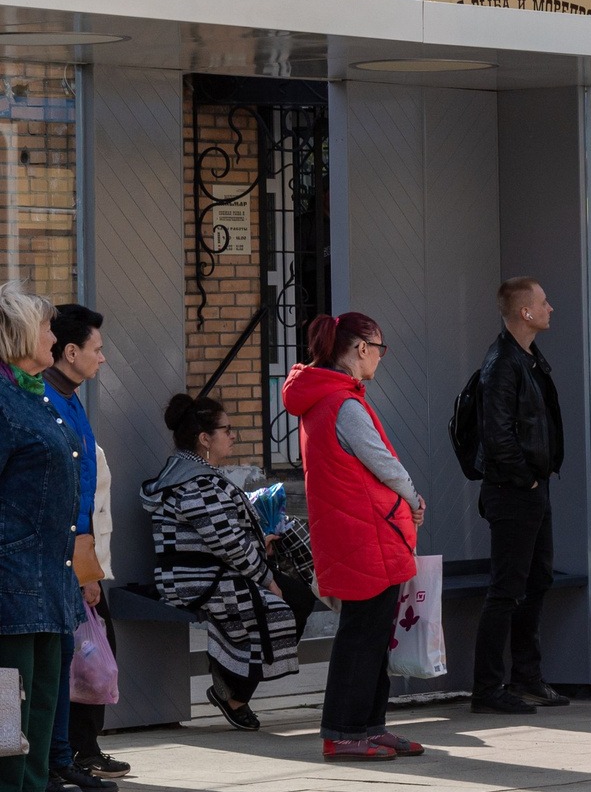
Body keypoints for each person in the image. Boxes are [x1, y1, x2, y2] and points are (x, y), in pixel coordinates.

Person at [282, 311, 427, 762]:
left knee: (372, 634)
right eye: (379, 349)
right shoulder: (342, 402)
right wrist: (413, 496)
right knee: (361, 636)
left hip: (356, 532)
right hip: (365, 534)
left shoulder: (326, 397)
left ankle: (368, 726)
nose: (380, 358)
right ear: (361, 348)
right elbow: (381, 460)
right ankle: (344, 732)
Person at [143, 394, 302, 731]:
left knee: (296, 595)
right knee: (285, 599)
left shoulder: (194, 472)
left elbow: (227, 536)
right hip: (193, 577)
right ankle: (232, 692)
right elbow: (227, 542)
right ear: (205, 438)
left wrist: (263, 545)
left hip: (209, 571)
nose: (233, 436)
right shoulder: (195, 480)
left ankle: (232, 683)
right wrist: (266, 578)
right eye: (227, 430)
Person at [0, 282, 80, 792]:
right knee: (9, 689)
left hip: (50, 571)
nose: (55, 336)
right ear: (22, 334)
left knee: (44, 684)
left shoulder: (31, 392)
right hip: (12, 569)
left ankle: (29, 787)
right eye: (48, 327)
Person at [471, 277, 564, 716]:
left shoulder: (529, 358)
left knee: (537, 581)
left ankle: (527, 677)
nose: (551, 308)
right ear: (525, 313)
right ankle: (487, 689)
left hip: (534, 488)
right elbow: (497, 436)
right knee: (506, 589)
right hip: (514, 492)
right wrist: (526, 479)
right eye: (543, 303)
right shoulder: (502, 363)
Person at [42, 304, 117, 792]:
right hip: (55, 554)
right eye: (97, 349)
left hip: (76, 550)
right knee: (56, 663)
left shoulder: (69, 398)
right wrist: (83, 570)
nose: (103, 359)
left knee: (70, 656)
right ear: (71, 352)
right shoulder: (42, 399)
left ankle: (67, 757)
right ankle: (53, 763)